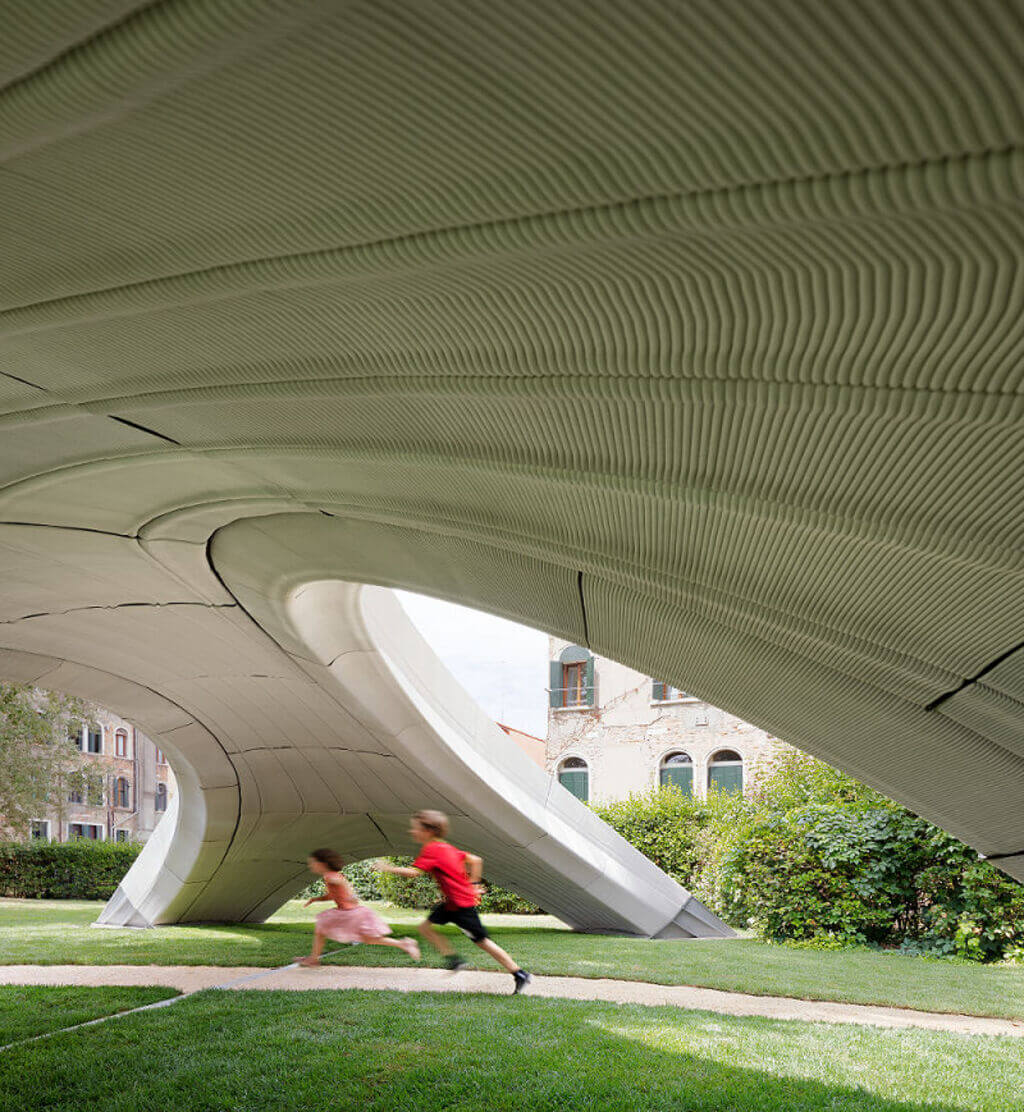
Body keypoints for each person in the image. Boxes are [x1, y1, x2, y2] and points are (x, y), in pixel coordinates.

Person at [373, 810, 531, 994]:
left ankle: (519, 973)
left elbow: (414, 873)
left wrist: (387, 868)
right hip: (452, 903)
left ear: (429, 831)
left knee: (483, 942)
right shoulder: (446, 847)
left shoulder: (432, 849)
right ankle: (454, 960)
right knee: (424, 928)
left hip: (461, 905)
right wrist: (474, 884)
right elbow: (476, 860)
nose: (412, 832)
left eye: (415, 828)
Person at [296, 847, 420, 966]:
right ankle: (404, 944)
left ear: (322, 863)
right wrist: (316, 899)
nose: (311, 865)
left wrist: (351, 893)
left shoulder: (329, 876)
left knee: (320, 928)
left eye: (313, 863)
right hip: (356, 912)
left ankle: (313, 959)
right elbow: (333, 895)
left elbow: (341, 883)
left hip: (348, 913)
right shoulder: (333, 875)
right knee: (369, 939)